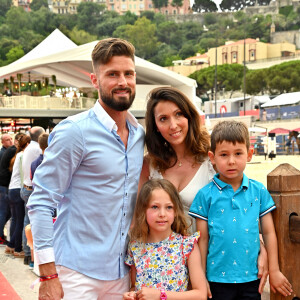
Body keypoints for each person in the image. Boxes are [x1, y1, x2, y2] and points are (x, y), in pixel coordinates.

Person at [27, 38, 145, 300]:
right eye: (112, 74)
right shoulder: (75, 131)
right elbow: (41, 202)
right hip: (76, 272)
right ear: (95, 80)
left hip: (122, 272)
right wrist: (48, 275)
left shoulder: (140, 135)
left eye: (128, 74)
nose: (123, 82)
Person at [189, 120, 293, 299]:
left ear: (249, 154)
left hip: (253, 279)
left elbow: (268, 233)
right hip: (216, 280)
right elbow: (202, 240)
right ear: (212, 158)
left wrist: (274, 270)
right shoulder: (205, 195)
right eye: (224, 155)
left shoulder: (258, 191)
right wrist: (201, 278)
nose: (231, 161)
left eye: (238, 153)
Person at [140, 86, 214, 234]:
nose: (173, 125)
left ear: (189, 116)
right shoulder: (149, 164)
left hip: (210, 252)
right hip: (166, 255)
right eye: (163, 119)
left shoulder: (212, 157)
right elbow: (139, 215)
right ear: (156, 127)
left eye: (178, 114)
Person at [123, 179, 207, 300]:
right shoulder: (135, 247)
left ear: (176, 211)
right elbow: (135, 287)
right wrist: (132, 295)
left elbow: (200, 295)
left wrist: (160, 295)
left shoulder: (187, 245)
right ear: (143, 210)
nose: (162, 214)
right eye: (155, 207)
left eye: (168, 207)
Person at [20, 126, 45, 265]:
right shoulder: (36, 149)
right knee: (32, 223)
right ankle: (31, 256)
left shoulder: (29, 147)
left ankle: (27, 254)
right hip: (31, 190)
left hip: (26, 187)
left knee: (26, 221)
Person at [5, 134, 31, 257]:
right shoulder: (22, 155)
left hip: (12, 189)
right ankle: (16, 248)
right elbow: (23, 174)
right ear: (27, 144)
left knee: (15, 219)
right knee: (20, 220)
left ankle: (11, 246)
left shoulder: (17, 155)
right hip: (17, 189)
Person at [0, 133, 22, 245]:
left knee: (8, 213)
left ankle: (4, 237)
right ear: (2, 142)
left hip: (7, 186)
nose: (10, 141)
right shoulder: (9, 151)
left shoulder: (7, 151)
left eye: (11, 139)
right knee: (4, 212)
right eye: (7, 140)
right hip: (4, 185)